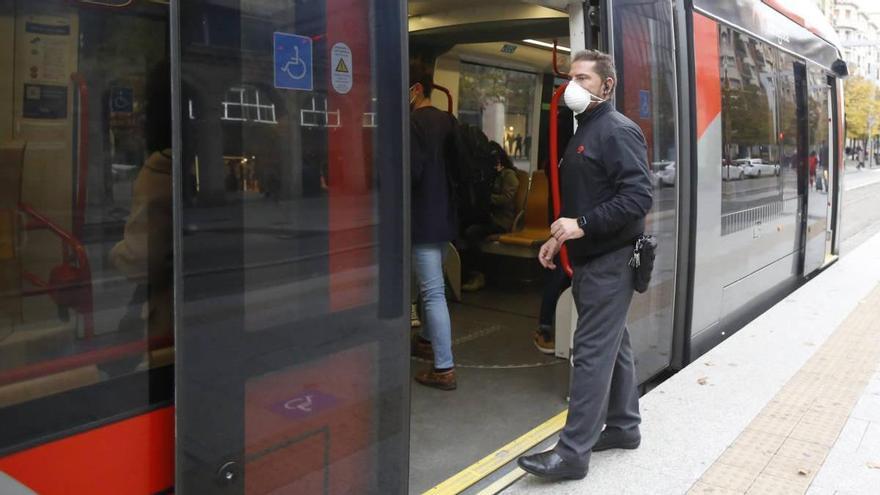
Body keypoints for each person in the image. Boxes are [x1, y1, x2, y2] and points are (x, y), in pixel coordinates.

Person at [517, 49, 653, 481]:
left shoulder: (616, 130)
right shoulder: (585, 131)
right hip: (592, 256)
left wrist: (582, 225)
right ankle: (625, 427)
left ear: (607, 85)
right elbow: (584, 200)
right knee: (617, 346)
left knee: (591, 353)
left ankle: (573, 454)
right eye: (571, 77)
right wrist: (559, 238)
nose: (572, 86)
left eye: (584, 78)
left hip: (611, 261)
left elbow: (637, 198)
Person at [408, 58, 459, 390]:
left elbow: (411, 173)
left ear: (415, 90)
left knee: (432, 293)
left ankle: (443, 368)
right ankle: (426, 339)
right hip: (445, 216)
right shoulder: (449, 121)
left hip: (423, 217)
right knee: (433, 283)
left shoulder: (413, 124)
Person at [460, 142, 520, 291]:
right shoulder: (491, 174)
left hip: (501, 220)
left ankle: (478, 274)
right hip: (491, 216)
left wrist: (486, 198)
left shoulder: (509, 175)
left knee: (472, 232)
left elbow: (507, 198)